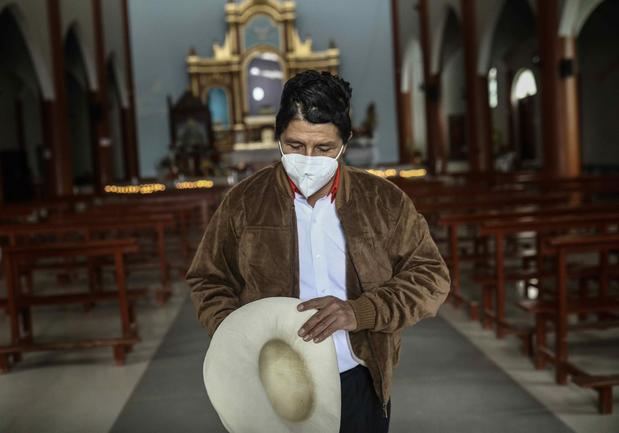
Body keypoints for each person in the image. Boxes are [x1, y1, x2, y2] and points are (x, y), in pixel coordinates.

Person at [186, 70, 450, 433]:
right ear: (279, 137)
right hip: (272, 379)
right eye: (295, 145)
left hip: (359, 373)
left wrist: (362, 311)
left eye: (323, 148)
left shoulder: (383, 202)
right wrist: (241, 336)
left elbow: (431, 277)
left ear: (345, 143)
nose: (308, 158)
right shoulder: (244, 202)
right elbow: (207, 279)